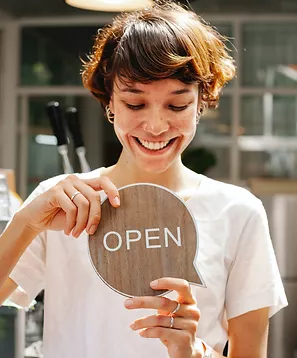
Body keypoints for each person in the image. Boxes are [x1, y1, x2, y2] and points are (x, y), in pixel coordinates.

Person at [0, 2, 287, 358]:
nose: (155, 126)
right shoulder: (63, 202)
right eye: (135, 104)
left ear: (201, 103)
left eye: (177, 105)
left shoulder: (238, 212)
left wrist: (194, 352)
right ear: (110, 104)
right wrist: (27, 222)